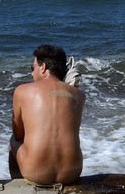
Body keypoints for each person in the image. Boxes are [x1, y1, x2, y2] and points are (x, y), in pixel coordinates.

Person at [8, 44, 85, 185]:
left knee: (13, 141)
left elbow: (19, 135)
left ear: (43, 67)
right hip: (73, 172)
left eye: (33, 68)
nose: (31, 73)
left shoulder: (22, 91)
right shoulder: (79, 94)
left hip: (37, 174)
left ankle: (18, 192)